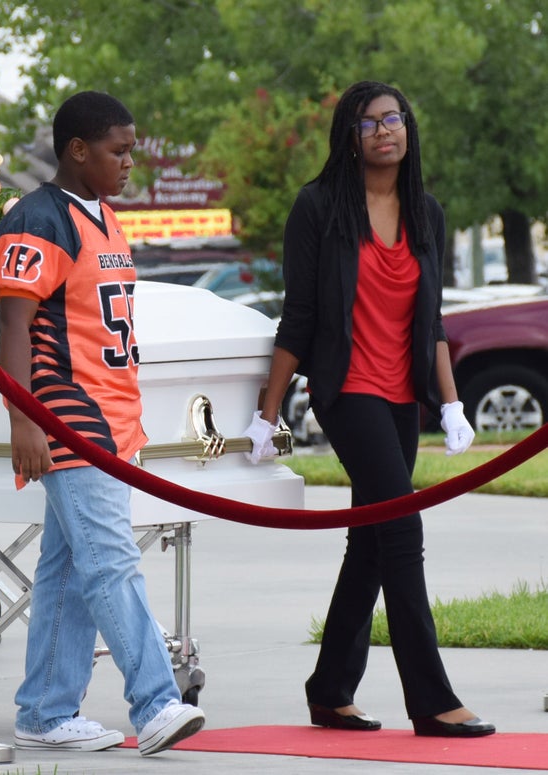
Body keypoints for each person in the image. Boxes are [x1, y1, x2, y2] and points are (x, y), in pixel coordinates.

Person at [243, 80, 495, 738]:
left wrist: (451, 403)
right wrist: (268, 411)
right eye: (369, 122)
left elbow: (432, 321)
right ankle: (432, 700)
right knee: (402, 530)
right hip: (346, 390)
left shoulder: (426, 212)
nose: (385, 130)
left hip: (402, 396)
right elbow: (299, 315)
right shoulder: (319, 206)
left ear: (408, 127)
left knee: (372, 543)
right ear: (349, 139)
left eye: (394, 118)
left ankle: (330, 690)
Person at [0, 90, 206, 755]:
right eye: (120, 150)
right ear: (78, 150)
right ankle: (156, 701)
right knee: (111, 561)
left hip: (110, 417)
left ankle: (46, 711)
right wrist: (25, 419)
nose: (130, 161)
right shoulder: (38, 217)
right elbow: (14, 325)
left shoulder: (104, 215)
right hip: (67, 415)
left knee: (69, 570)